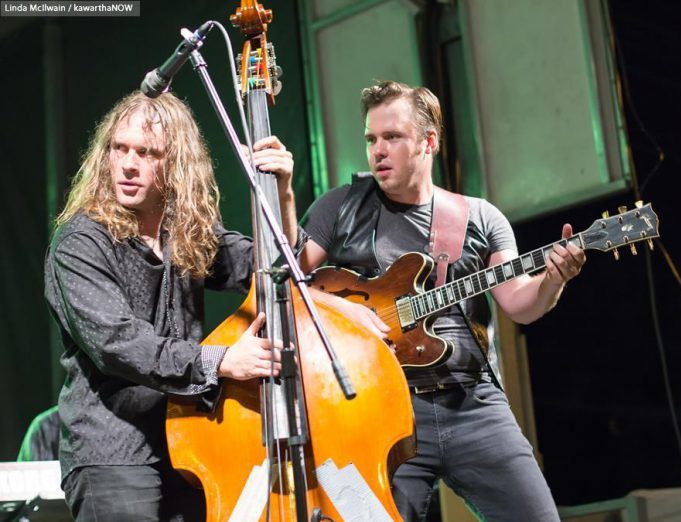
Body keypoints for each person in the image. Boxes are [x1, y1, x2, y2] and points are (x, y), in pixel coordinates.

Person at [298, 81, 586, 521]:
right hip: (383, 408)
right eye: (371, 139)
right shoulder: (339, 207)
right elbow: (289, 284)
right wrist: (347, 309)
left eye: (392, 137)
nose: (378, 150)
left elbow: (519, 303)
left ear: (429, 141)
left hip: (474, 404)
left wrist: (553, 279)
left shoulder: (479, 216)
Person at [44, 91, 301, 521]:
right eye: (119, 148)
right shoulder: (80, 241)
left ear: (176, 163)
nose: (128, 164)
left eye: (146, 153)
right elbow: (118, 343)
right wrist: (222, 361)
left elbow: (276, 271)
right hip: (113, 453)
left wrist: (282, 194)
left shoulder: (186, 230)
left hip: (189, 443)